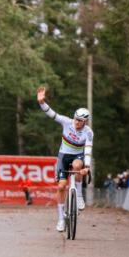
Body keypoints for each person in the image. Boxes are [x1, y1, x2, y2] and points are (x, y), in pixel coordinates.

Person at [37, 86, 93, 232]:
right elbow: (52, 114)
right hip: (63, 156)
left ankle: (79, 195)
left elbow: (87, 150)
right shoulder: (67, 122)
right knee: (61, 186)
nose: (77, 122)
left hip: (78, 156)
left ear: (85, 122)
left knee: (77, 166)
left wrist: (86, 166)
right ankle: (61, 219)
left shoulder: (88, 132)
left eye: (80, 120)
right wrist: (41, 102)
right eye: (76, 118)